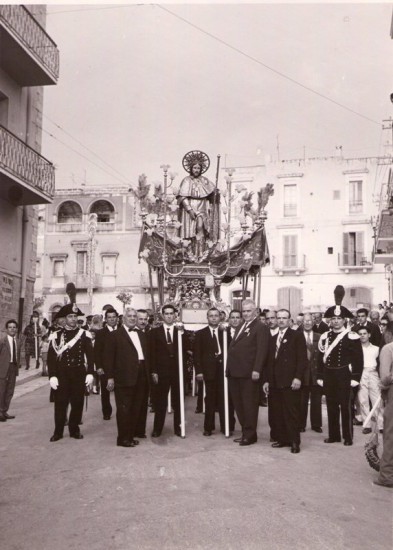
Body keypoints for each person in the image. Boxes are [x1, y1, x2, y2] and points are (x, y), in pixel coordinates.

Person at [316, 290, 363, 446]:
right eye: (333, 319)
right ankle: (334, 435)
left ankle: (348, 436)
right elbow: (320, 359)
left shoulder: (352, 336)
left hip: (344, 375)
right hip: (329, 374)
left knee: (346, 406)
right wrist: (320, 376)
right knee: (331, 406)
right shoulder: (325, 336)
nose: (336, 321)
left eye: (339, 319)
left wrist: (355, 378)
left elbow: (358, 360)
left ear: (344, 320)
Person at [47, 303, 94, 442]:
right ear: (64, 318)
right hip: (62, 375)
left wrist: (90, 372)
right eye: (70, 316)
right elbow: (51, 358)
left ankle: (74, 430)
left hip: (78, 374)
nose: (73, 319)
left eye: (75, 316)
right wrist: (53, 375)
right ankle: (58, 431)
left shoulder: (84, 334)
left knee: (77, 403)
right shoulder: (56, 335)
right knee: (60, 404)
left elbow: (90, 355)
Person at [226, 299, 270, 446]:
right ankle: (246, 432)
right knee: (239, 404)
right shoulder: (241, 326)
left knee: (249, 405)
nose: (245, 314)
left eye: (248, 311)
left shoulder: (260, 327)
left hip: (249, 373)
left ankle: (250, 434)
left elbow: (262, 350)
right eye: (243, 311)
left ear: (255, 311)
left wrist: (257, 369)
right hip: (235, 372)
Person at [263, 309, 307, 454]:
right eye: (279, 318)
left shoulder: (296, 336)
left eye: (284, 318)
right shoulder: (272, 338)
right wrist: (267, 381)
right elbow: (269, 362)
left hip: (290, 381)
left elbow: (302, 359)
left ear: (289, 320)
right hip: (275, 382)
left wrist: (298, 378)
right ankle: (282, 439)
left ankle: (294, 441)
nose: (281, 320)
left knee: (291, 412)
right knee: (277, 412)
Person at [105, 309, 147, 448]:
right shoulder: (115, 335)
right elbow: (109, 359)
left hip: (140, 375)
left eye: (135, 316)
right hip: (124, 377)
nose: (133, 318)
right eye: (130, 316)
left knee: (136, 408)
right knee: (124, 409)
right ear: (123, 318)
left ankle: (130, 436)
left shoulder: (141, 334)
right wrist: (110, 377)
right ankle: (122, 439)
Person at [194, 307, 233, 436]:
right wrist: (199, 371)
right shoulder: (201, 334)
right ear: (207, 317)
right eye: (211, 315)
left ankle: (225, 426)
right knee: (209, 399)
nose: (214, 318)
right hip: (208, 371)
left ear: (220, 317)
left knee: (224, 398)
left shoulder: (226, 333)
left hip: (224, 371)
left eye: (216, 315)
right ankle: (208, 427)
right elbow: (197, 354)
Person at [177, 150, 219, 258]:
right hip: (190, 207)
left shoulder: (205, 180)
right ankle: (191, 253)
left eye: (198, 168)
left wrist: (215, 193)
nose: (196, 170)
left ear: (201, 169)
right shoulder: (186, 180)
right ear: (191, 168)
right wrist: (189, 209)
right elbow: (182, 196)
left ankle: (201, 251)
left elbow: (212, 192)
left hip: (202, 206)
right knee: (190, 230)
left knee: (201, 227)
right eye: (194, 168)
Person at [150, 304, 183, 437]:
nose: (169, 316)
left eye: (171, 313)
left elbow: (185, 351)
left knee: (178, 401)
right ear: (162, 315)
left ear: (175, 315)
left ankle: (178, 427)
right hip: (161, 372)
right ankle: (158, 428)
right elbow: (151, 353)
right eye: (167, 314)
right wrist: (154, 371)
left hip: (177, 372)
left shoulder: (180, 331)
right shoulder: (154, 332)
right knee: (160, 402)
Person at [374, 322, 393, 488]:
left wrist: (383, 387)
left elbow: (385, 377)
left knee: (390, 433)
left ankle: (387, 475)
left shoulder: (388, 349)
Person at [299, 313, 323, 433]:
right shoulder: (297, 337)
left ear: (313, 322)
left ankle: (316, 425)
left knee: (316, 401)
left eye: (310, 321)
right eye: (305, 321)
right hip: (302, 375)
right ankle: (301, 424)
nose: (307, 323)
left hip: (315, 374)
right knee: (301, 401)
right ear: (301, 323)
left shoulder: (320, 337)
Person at [356, 326, 383, 434]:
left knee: (376, 399)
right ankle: (366, 424)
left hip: (373, 373)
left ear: (369, 335)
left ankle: (381, 425)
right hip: (361, 373)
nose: (362, 335)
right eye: (360, 334)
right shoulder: (356, 349)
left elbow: (380, 364)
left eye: (364, 333)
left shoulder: (376, 349)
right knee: (363, 400)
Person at [93, 308, 119, 420]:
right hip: (105, 367)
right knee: (105, 391)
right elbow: (97, 351)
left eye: (114, 317)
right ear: (105, 319)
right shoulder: (100, 333)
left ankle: (121, 412)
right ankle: (106, 412)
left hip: (120, 367)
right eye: (109, 317)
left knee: (120, 391)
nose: (112, 319)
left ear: (117, 318)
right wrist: (98, 366)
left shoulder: (123, 330)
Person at [134, 309, 151, 439]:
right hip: (134, 372)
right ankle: (132, 431)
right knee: (134, 403)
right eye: (141, 319)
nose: (143, 322)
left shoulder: (149, 333)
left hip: (146, 372)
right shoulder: (131, 333)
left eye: (145, 319)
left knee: (143, 402)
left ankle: (140, 430)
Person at [0, 320, 21, 421]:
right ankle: (0, 412)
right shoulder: (2, 341)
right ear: (6, 329)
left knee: (10, 391)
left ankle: (4, 411)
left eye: (14, 327)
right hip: (3, 368)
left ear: (16, 329)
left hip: (13, 367)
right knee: (2, 390)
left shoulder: (17, 341)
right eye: (10, 327)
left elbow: (17, 355)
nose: (12, 329)